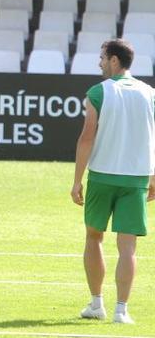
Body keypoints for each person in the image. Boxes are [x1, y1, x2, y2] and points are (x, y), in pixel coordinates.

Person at [72, 39, 155, 325]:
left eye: (103, 57)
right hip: (136, 179)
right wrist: (153, 175)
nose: (100, 62)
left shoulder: (98, 92)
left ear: (115, 60)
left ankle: (97, 304)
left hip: (103, 176)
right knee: (127, 247)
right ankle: (122, 310)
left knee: (94, 237)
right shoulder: (149, 93)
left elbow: (86, 137)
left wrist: (76, 180)